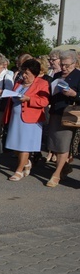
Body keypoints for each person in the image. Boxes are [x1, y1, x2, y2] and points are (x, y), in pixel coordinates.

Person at [3, 59, 49, 181]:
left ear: (34, 73)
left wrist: (29, 99)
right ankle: (27, 163)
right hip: (16, 118)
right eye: (23, 72)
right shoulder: (18, 83)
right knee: (14, 145)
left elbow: (44, 101)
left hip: (31, 120)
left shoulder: (42, 83)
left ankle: (19, 171)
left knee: (24, 146)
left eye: (27, 73)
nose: (24, 75)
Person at [46, 50, 80, 187]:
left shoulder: (79, 76)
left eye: (67, 65)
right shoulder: (57, 75)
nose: (64, 68)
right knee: (53, 144)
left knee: (62, 145)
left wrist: (74, 94)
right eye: (63, 64)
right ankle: (64, 168)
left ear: (74, 63)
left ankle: (56, 174)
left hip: (69, 114)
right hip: (55, 111)